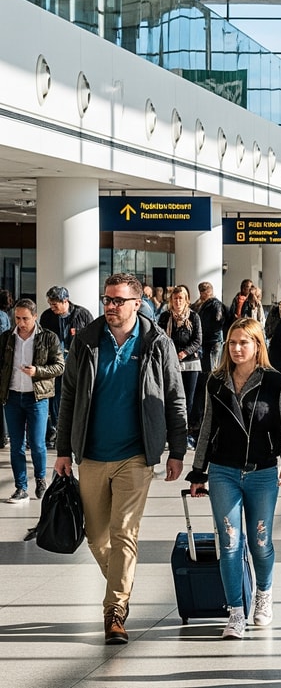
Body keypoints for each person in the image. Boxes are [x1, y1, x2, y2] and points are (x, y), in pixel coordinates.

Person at [54, 273, 188, 644]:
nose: (110, 306)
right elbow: (68, 398)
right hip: (92, 454)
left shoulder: (156, 343)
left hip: (136, 454)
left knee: (124, 532)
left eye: (117, 300)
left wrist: (177, 451)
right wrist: (63, 449)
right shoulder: (86, 341)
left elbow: (175, 399)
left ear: (137, 303)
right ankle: (122, 579)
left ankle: (115, 610)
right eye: (106, 300)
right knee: (97, 538)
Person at [186, 318, 281, 639]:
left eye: (243, 343)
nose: (236, 349)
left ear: (257, 346)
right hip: (224, 472)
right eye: (232, 343)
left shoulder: (275, 382)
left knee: (260, 543)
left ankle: (263, 593)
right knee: (230, 542)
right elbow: (207, 428)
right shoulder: (216, 382)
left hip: (262, 472)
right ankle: (236, 611)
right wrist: (198, 471)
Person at [3, 299, 64, 501]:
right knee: (16, 445)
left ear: (35, 317)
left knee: (37, 444)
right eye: (18, 318)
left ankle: (40, 480)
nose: (21, 323)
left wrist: (38, 371)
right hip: (12, 397)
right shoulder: (6, 338)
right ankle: (21, 487)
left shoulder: (48, 338)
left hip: (36, 398)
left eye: (25, 318)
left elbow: (59, 366)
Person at [39, 285, 93, 447]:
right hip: (55, 364)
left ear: (65, 301)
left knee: (76, 396)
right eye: (50, 304)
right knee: (56, 399)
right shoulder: (47, 316)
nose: (52, 308)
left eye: (55, 304)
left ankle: (76, 430)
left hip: (76, 363)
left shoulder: (82, 315)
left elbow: (91, 338)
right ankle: (56, 430)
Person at [157, 286, 204, 443]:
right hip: (170, 363)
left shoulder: (194, 317)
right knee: (170, 397)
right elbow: (160, 337)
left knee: (187, 400)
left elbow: (198, 340)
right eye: (175, 298)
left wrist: (184, 353)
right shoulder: (165, 317)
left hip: (190, 364)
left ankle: (186, 432)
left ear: (186, 300)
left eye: (180, 298)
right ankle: (169, 432)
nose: (177, 302)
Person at [195, 281, 228, 372]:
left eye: (202, 292)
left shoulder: (214, 304)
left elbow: (218, 319)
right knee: (209, 366)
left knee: (212, 367)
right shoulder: (205, 304)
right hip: (210, 339)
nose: (201, 294)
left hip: (213, 340)